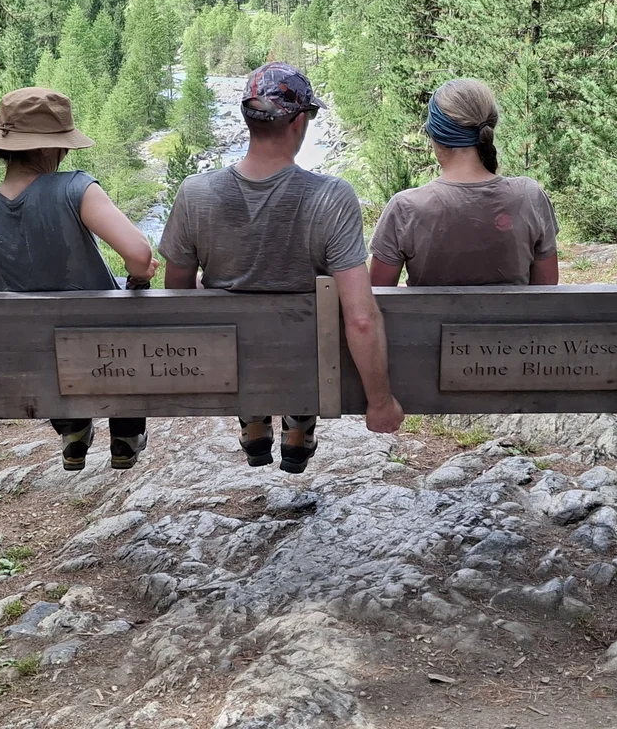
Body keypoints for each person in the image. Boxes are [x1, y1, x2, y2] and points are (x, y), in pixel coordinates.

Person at [160, 62, 405, 473]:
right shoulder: (332, 197)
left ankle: (253, 413)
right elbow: (361, 318)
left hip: (230, 366)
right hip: (311, 364)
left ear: (247, 118)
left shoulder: (195, 193)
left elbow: (178, 299)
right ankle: (298, 418)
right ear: (297, 121)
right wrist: (380, 402)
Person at [0, 87, 157, 471]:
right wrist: (139, 274)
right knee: (129, 310)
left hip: (33, 363)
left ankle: (71, 426)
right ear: (51, 148)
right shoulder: (75, 188)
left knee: (39, 339)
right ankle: (127, 432)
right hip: (106, 355)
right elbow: (138, 255)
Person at [369, 79, 561, 288]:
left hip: (430, 322)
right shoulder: (529, 196)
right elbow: (545, 293)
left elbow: (377, 298)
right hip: (511, 322)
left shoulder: (406, 208)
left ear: (434, 134)